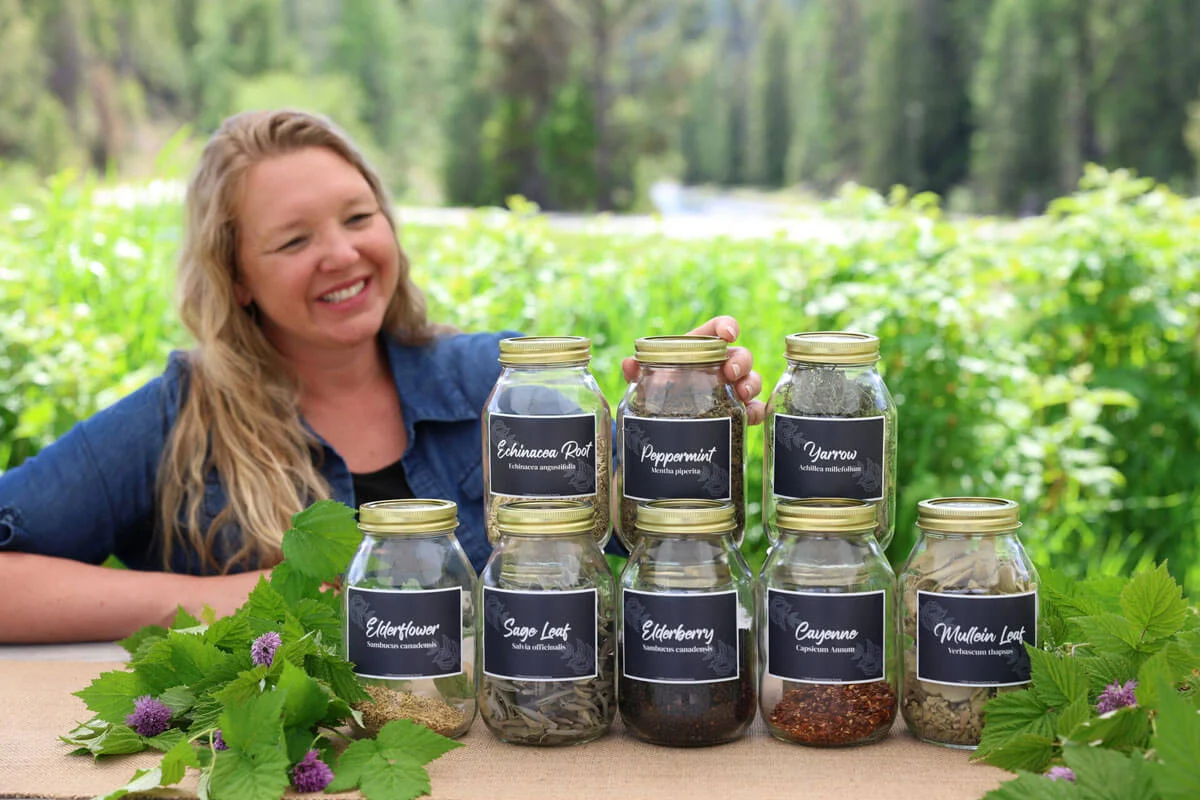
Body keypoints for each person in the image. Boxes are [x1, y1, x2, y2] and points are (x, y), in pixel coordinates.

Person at [0, 109, 766, 644]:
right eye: (295, 239)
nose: (342, 254)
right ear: (235, 277)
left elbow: (654, 538)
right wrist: (223, 601)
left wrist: (678, 412)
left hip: (523, 750)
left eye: (359, 218)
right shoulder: (178, 417)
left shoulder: (495, 385)